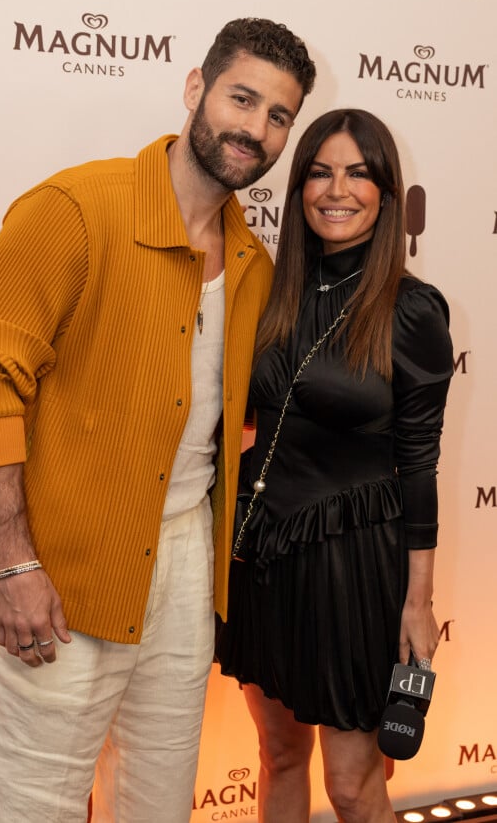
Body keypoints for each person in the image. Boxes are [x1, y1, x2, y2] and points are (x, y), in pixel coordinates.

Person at [0, 18, 316, 823]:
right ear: (194, 90)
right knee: (24, 804)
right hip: (60, 560)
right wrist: (13, 562)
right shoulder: (79, 207)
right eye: (242, 98)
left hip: (183, 561)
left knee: (159, 799)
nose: (256, 128)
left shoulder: (253, 264)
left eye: (278, 115)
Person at [216, 109, 453, 822]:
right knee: (279, 756)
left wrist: (418, 600)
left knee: (352, 786)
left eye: (358, 172)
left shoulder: (412, 310)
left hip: (353, 568)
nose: (336, 189)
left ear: (385, 191)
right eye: (320, 170)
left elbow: (419, 463)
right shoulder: (269, 292)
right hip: (263, 551)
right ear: (298, 186)